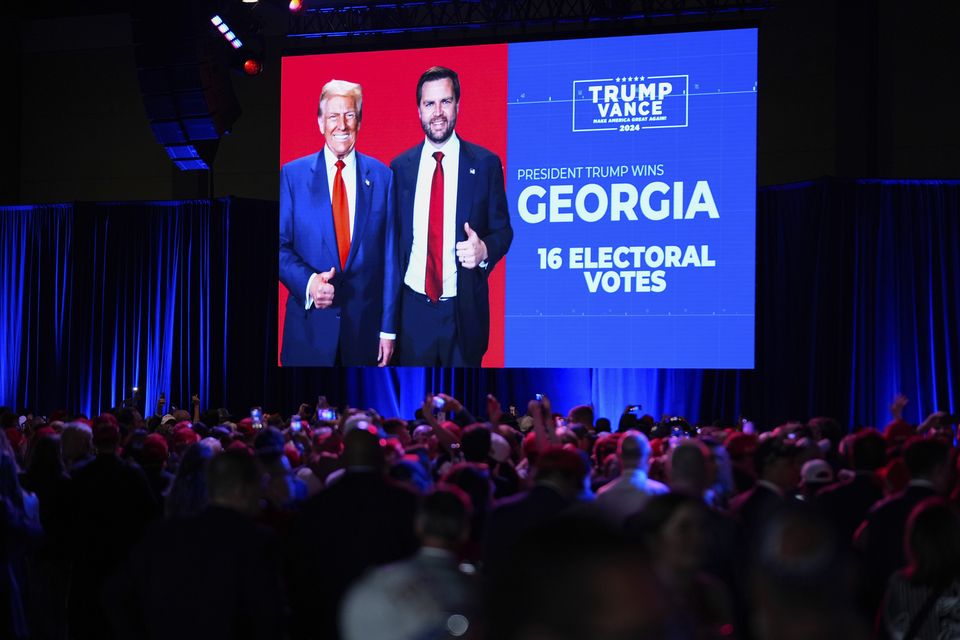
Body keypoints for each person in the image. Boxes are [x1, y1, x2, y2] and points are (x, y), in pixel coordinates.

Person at [391, 66, 513, 366]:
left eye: (445, 101)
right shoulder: (399, 169)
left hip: (463, 315)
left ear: (458, 104)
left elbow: (503, 231)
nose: (437, 112)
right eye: (429, 103)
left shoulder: (485, 164)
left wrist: (484, 249)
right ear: (419, 110)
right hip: (411, 315)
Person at [279, 79, 399, 366]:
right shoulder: (292, 176)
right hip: (308, 334)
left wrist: (388, 329)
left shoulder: (383, 178)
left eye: (350, 115)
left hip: (365, 336)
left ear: (359, 120)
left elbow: (391, 258)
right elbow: (279, 247)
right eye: (333, 116)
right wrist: (309, 284)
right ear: (320, 122)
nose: (342, 125)